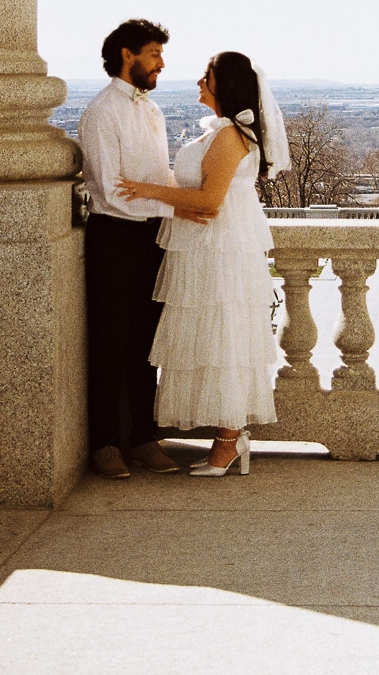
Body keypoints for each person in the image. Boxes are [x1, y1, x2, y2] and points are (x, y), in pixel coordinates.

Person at [117, 51, 290, 476]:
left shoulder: (231, 135)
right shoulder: (220, 132)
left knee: (225, 338)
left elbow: (210, 202)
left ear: (222, 85)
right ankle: (228, 439)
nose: (198, 81)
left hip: (220, 248)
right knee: (212, 338)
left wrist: (147, 190)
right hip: (205, 247)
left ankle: (229, 442)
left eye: (206, 76)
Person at [79, 19, 213, 480]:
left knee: (144, 342)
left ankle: (143, 438)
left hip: (151, 236)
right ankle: (104, 444)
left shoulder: (152, 112)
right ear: (126, 55)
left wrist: (181, 204)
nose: (161, 63)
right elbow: (112, 191)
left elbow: (161, 178)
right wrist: (178, 210)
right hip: (113, 236)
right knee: (110, 342)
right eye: (154, 54)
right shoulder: (100, 113)